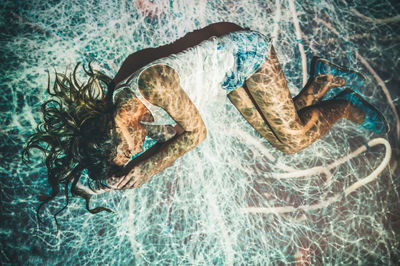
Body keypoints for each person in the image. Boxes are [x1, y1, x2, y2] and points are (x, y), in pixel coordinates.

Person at [23, 22, 388, 219]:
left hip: (246, 54)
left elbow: (196, 133)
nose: (138, 150)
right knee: (283, 133)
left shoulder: (153, 85)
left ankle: (347, 105)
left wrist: (147, 167)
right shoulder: (122, 103)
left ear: (116, 129)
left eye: (129, 151)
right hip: (226, 73)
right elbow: (171, 129)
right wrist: (109, 176)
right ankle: (322, 78)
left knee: (291, 137)